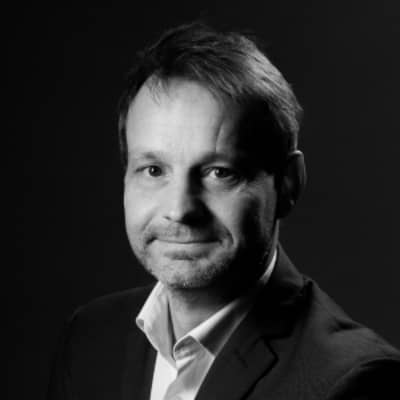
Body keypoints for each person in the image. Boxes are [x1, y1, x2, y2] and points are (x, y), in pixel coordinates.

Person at [47, 22, 400, 400]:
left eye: (219, 173)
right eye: (153, 170)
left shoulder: (354, 382)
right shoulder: (92, 338)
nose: (179, 209)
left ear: (288, 183)